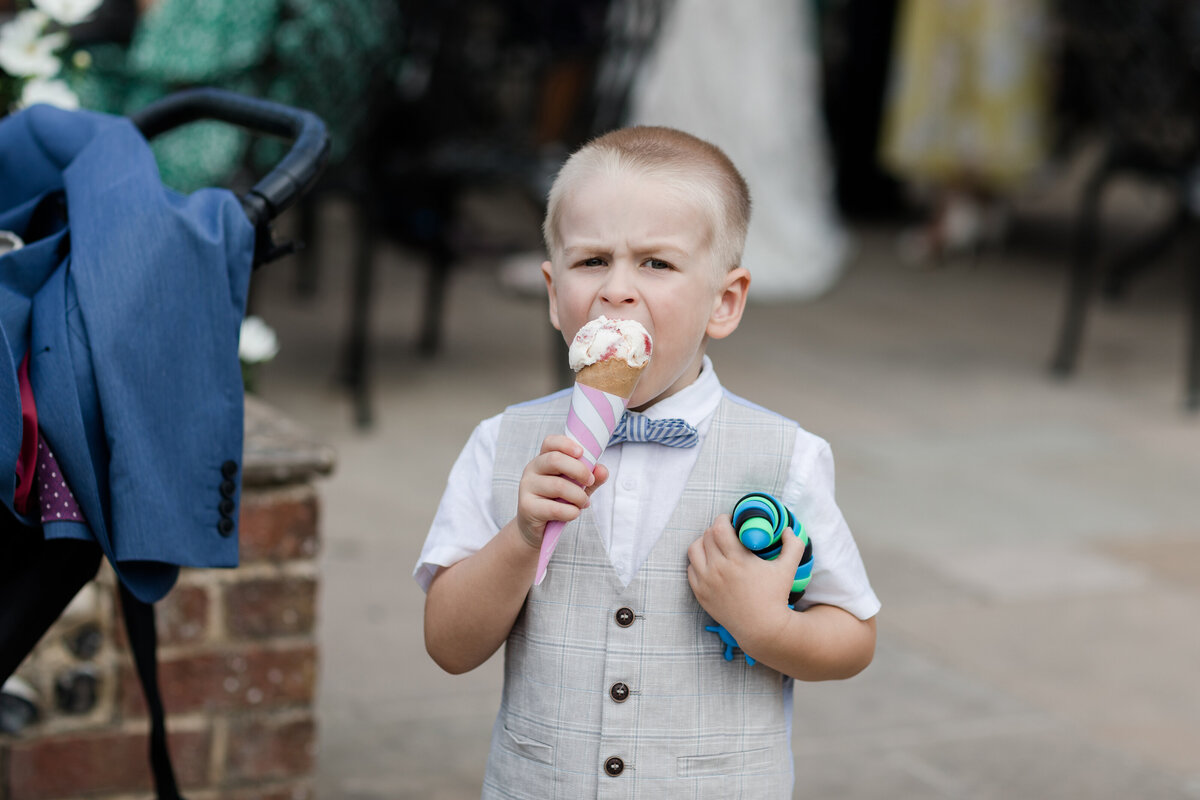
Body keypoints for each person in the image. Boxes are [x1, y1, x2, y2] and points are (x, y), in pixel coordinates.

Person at [415, 126, 879, 797]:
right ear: (553, 293)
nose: (617, 290)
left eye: (656, 264)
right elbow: (449, 647)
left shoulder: (787, 457)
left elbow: (853, 636)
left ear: (724, 301)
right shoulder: (502, 444)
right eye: (591, 260)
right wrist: (519, 538)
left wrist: (768, 627)